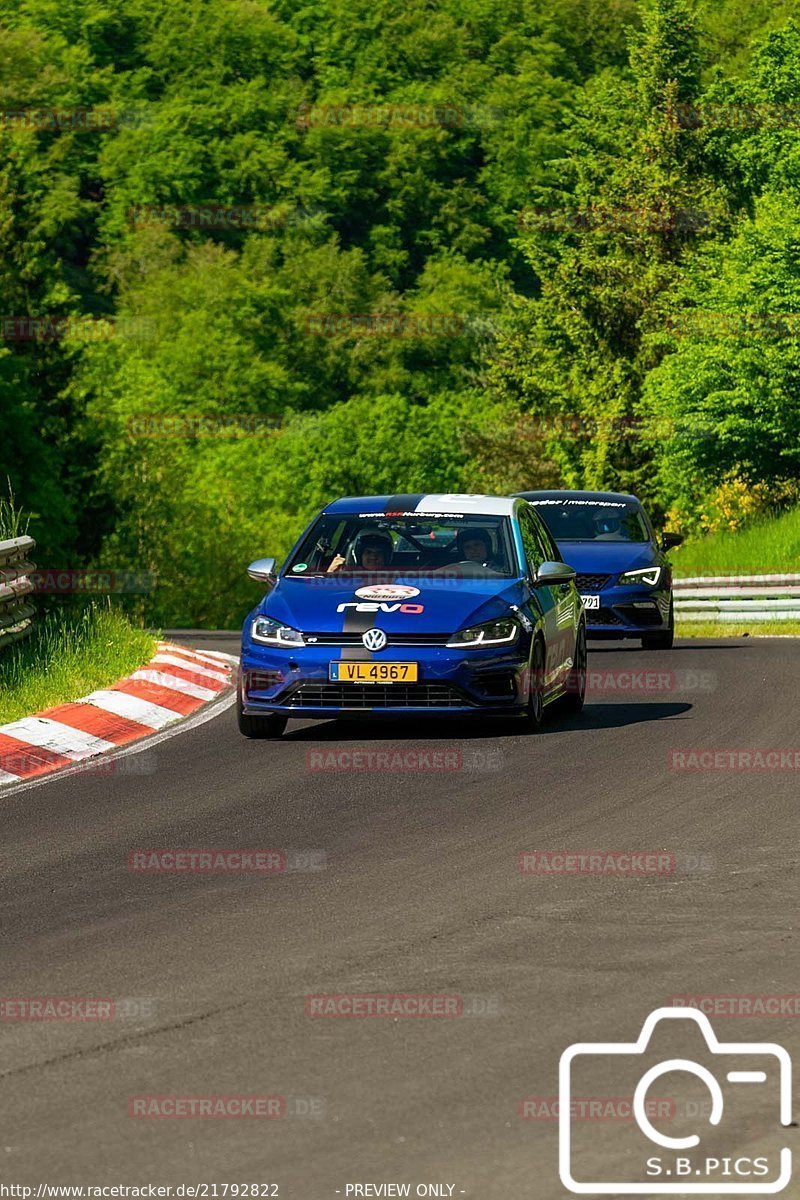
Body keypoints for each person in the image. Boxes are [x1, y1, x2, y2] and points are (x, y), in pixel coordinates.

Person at [327, 530, 393, 573]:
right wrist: (330, 573)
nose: (373, 557)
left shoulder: (398, 578)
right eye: (368, 552)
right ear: (359, 555)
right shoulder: (345, 578)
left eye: (378, 553)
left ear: (386, 556)